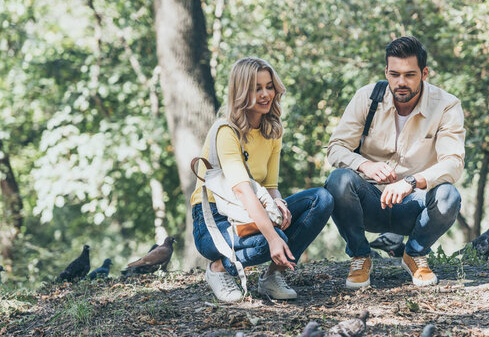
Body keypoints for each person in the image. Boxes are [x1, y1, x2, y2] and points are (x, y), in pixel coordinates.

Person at [325, 36, 465, 289]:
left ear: (424, 73)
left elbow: (453, 163)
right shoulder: (366, 97)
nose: (401, 82)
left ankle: (414, 253)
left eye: (410, 75)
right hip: (368, 202)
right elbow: (336, 148)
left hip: (414, 205)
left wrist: (412, 182)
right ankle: (360, 255)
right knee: (338, 180)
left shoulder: (447, 105)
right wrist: (364, 165)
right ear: (386, 72)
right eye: (395, 74)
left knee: (449, 196)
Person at [191, 57, 334, 302]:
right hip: (214, 222)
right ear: (242, 91)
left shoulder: (272, 130)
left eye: (269, 86)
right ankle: (218, 269)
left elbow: (270, 187)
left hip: (251, 212)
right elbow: (243, 192)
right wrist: (273, 236)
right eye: (257, 88)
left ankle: (272, 277)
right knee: (266, 243)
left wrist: (279, 204)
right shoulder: (226, 132)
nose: (266, 94)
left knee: (322, 198)